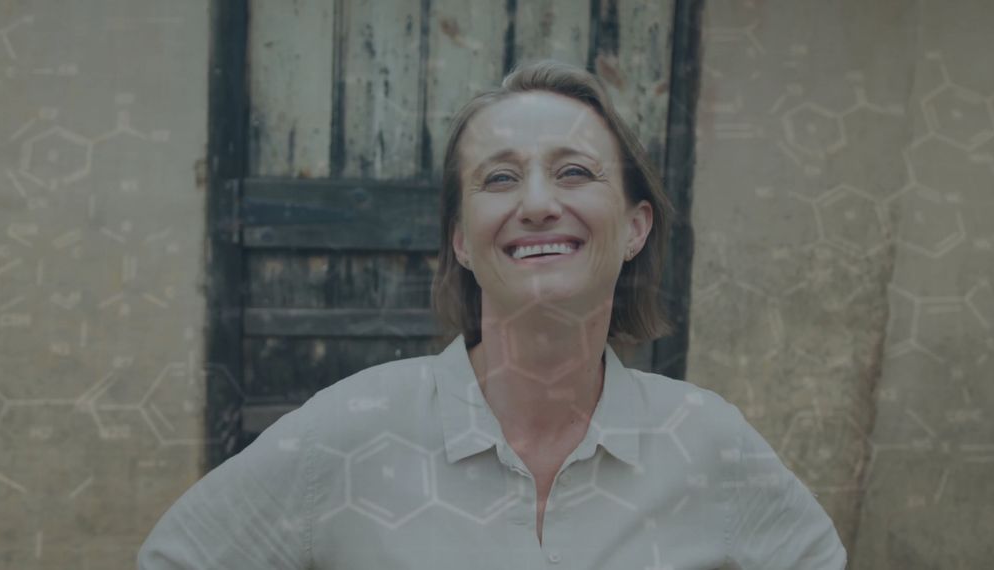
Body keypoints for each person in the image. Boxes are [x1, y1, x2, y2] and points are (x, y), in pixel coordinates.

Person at [138, 60, 846, 569]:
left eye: (574, 171)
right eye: (500, 178)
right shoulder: (349, 432)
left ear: (635, 227)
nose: (536, 203)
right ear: (462, 241)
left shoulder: (708, 441)